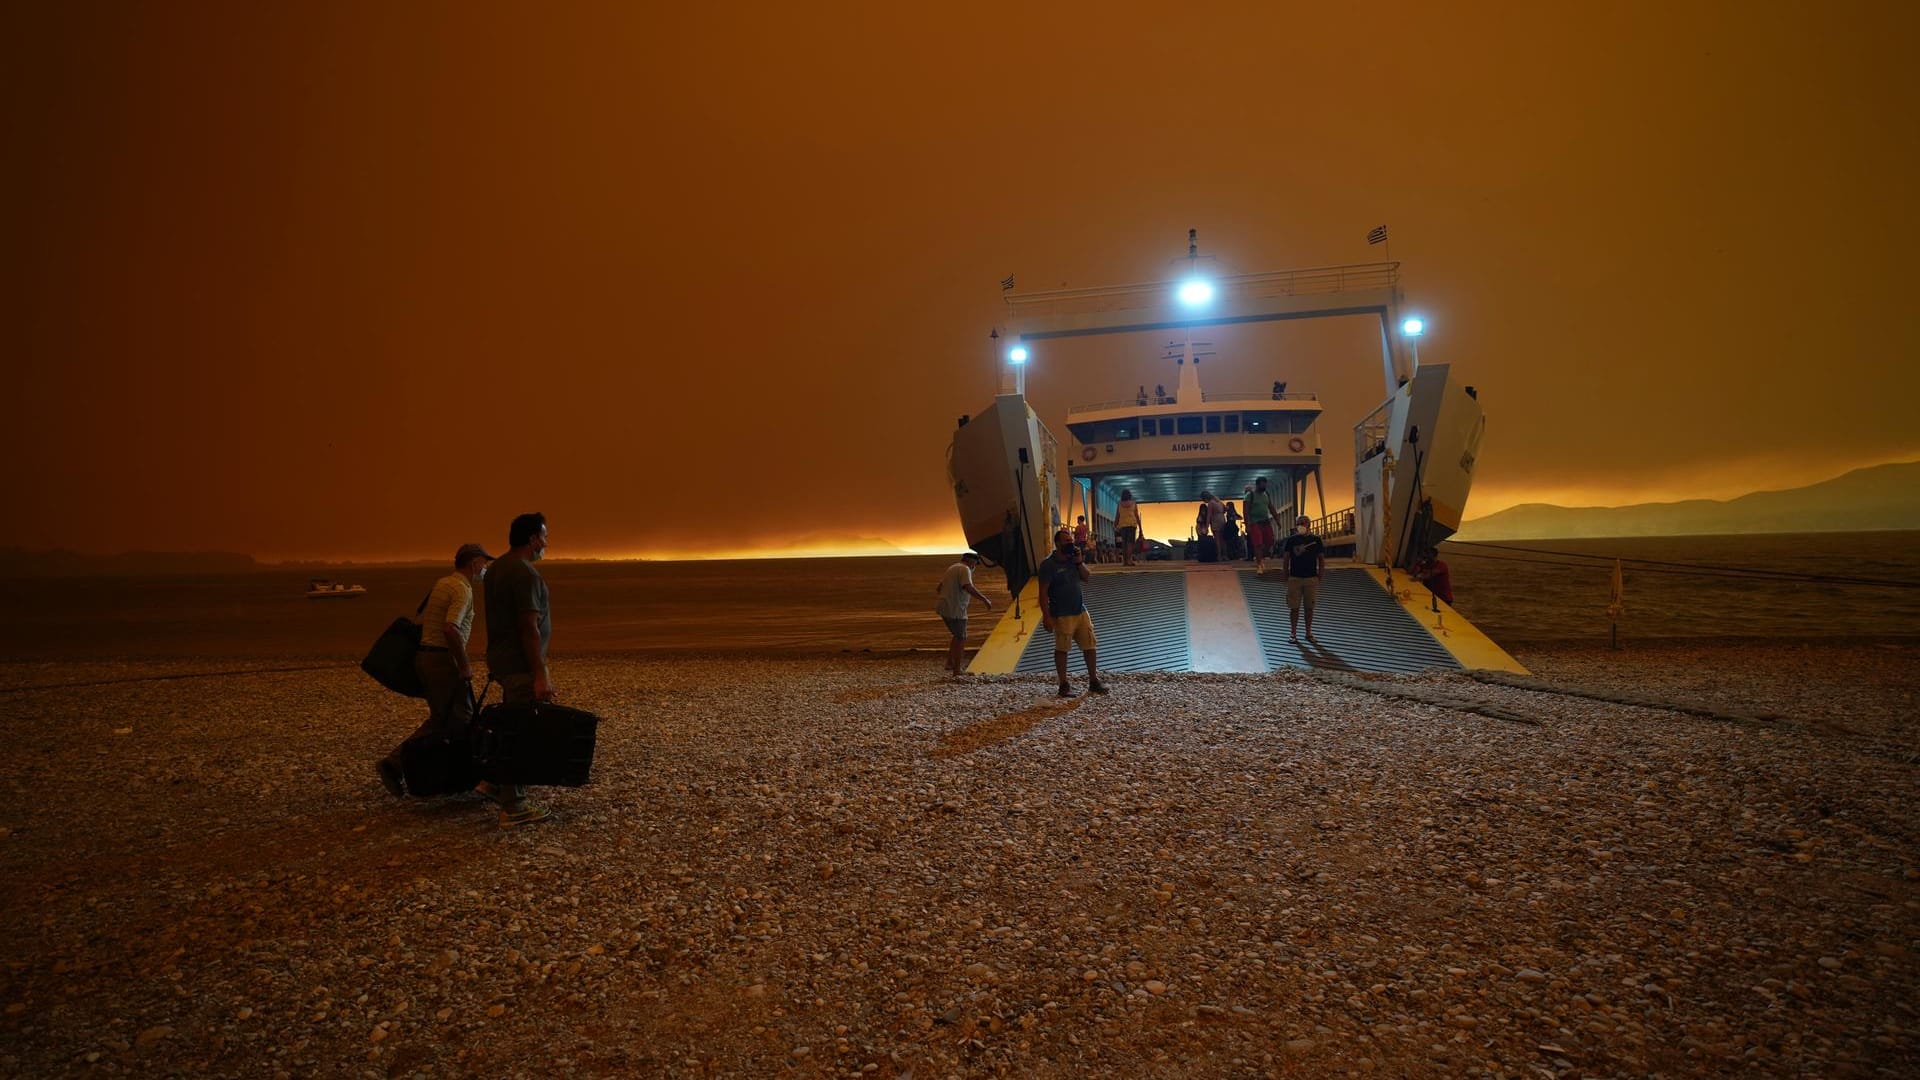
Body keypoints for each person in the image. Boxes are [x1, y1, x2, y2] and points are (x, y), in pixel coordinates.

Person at [376, 542, 492, 798]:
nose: (485, 568)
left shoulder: (443, 583)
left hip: (425, 658)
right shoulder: (462, 589)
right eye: (484, 563)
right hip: (441, 660)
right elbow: (451, 628)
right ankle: (467, 778)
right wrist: (463, 665)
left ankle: (397, 764)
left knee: (442, 718)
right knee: (462, 717)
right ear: (474, 563)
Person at [481, 512, 556, 828]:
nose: (546, 543)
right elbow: (529, 628)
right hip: (520, 664)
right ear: (532, 538)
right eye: (544, 536)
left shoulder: (496, 569)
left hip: (501, 659)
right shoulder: (526, 575)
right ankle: (514, 806)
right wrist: (539, 674)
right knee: (522, 730)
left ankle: (496, 784)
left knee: (511, 723)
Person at [1037, 527, 1107, 698]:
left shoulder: (1073, 559)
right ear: (1058, 543)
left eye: (1071, 540)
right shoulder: (1048, 565)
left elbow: (1086, 577)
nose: (1071, 543)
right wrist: (1046, 616)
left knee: (1090, 645)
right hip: (1061, 613)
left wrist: (1079, 561)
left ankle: (1093, 680)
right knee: (1062, 648)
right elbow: (1043, 592)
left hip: (1080, 610)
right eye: (1067, 541)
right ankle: (1063, 684)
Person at [935, 552, 992, 675]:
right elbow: (968, 587)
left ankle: (950, 663)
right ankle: (957, 670)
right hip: (955, 609)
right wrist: (985, 599)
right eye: (975, 564)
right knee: (961, 637)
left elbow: (939, 588)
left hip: (944, 606)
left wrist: (949, 594)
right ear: (972, 562)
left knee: (957, 635)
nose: (975, 568)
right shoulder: (965, 569)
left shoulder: (953, 567)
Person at [1279, 514, 1326, 645]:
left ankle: (1308, 632)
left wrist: (1320, 575)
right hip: (1295, 577)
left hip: (1311, 578)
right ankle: (1293, 633)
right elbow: (1286, 558)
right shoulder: (1291, 540)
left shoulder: (1316, 540)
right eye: (1299, 523)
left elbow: (1321, 559)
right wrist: (1285, 574)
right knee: (1294, 607)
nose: (1301, 525)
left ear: (1309, 525)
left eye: (1304, 522)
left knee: (1309, 607)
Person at [1243, 476, 1281, 574]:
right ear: (1257, 484)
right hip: (1255, 523)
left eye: (1265, 483)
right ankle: (1259, 564)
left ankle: (1261, 557)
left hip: (1265, 522)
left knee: (1270, 541)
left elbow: (1271, 508)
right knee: (1258, 544)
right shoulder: (1249, 495)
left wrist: (1277, 520)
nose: (1264, 486)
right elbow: (1246, 511)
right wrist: (1247, 525)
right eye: (1262, 484)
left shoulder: (1266, 495)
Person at [1114, 488, 1142, 566]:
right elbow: (1136, 516)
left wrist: (1115, 525)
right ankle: (1129, 560)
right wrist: (1140, 527)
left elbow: (1117, 516)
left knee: (1124, 543)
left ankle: (1125, 561)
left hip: (1122, 525)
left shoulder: (1119, 504)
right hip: (1132, 525)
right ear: (1130, 495)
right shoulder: (1133, 503)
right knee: (1130, 543)